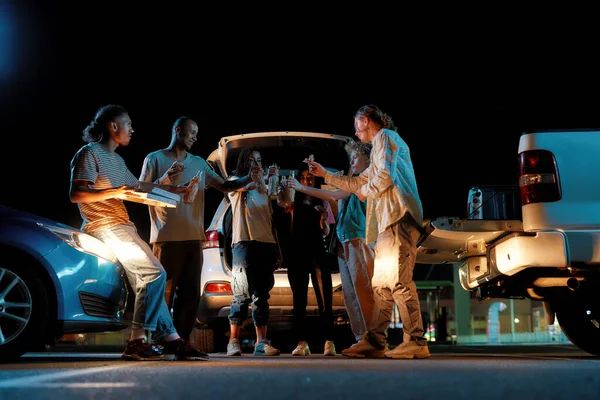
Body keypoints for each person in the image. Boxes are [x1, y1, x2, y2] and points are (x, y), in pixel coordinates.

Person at [69, 104, 216, 361]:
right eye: (127, 124)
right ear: (113, 126)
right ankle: (137, 341)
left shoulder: (116, 159)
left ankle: (172, 339)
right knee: (154, 273)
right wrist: (116, 192)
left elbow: (138, 187)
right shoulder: (88, 153)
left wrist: (174, 190)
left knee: (147, 282)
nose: (132, 130)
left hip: (123, 226)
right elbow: (77, 194)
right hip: (105, 226)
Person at [308, 104, 430, 359]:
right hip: (387, 223)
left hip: (399, 218)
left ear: (365, 120)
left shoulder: (385, 137)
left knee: (398, 282)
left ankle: (416, 340)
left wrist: (365, 192)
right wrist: (325, 175)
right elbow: (358, 182)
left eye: (356, 125)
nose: (355, 132)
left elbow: (383, 177)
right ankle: (374, 341)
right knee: (381, 286)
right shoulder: (377, 149)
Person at [138, 116, 258, 345]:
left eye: (196, 133)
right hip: (166, 237)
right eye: (191, 132)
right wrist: (167, 183)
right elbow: (141, 190)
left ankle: (181, 341)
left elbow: (223, 185)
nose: (195, 137)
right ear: (177, 130)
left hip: (194, 237)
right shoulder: (154, 158)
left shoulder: (199, 162)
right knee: (164, 293)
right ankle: (158, 340)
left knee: (191, 293)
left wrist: (246, 178)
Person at [286, 142, 376, 353]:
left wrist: (309, 187)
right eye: (351, 158)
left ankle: (372, 337)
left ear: (367, 159)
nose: (351, 162)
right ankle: (359, 338)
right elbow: (336, 198)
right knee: (349, 294)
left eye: (355, 158)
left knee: (363, 290)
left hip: (358, 237)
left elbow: (334, 197)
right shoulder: (348, 181)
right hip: (342, 242)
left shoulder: (365, 179)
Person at [225, 147, 281, 356]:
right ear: (244, 163)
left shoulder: (263, 186)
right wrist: (254, 178)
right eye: (251, 161)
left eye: (258, 160)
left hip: (266, 242)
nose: (256, 164)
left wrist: (270, 180)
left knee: (262, 295)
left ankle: (261, 342)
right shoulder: (235, 180)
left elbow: (274, 201)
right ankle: (233, 341)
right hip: (244, 242)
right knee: (241, 292)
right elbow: (237, 187)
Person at [282, 169, 337, 356]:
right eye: (303, 178)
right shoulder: (291, 200)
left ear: (316, 180)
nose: (307, 180)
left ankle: (329, 342)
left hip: (317, 252)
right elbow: (284, 223)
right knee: (299, 300)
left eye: (310, 178)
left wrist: (323, 220)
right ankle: (301, 343)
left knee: (325, 298)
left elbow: (326, 232)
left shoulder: (322, 199)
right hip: (297, 252)